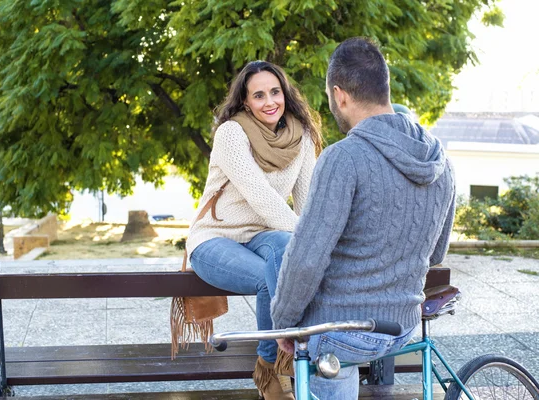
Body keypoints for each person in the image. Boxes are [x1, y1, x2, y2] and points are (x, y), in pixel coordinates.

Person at [270, 37, 456, 399]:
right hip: (402, 325)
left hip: (343, 331)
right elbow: (436, 254)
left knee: (323, 349)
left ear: (339, 95)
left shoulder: (343, 159)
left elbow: (306, 259)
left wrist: (284, 324)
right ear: (384, 87)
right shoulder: (442, 162)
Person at [185, 61, 323, 399]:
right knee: (269, 274)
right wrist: (308, 241)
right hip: (215, 238)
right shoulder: (232, 133)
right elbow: (261, 198)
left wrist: (316, 244)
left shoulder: (301, 136)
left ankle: (275, 365)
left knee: (285, 249)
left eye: (274, 92)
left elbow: (306, 203)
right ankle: (277, 366)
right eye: (258, 95)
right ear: (246, 102)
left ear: (285, 94)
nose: (269, 101)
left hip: (263, 235)